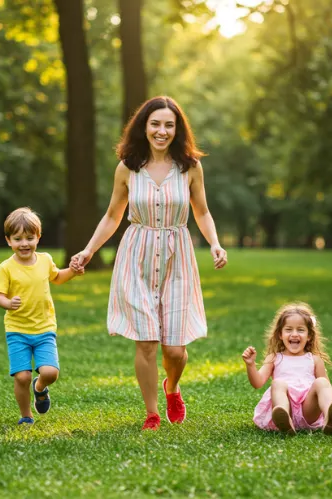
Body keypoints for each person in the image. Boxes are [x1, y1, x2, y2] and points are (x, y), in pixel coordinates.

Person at [70, 96, 227, 430]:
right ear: (144, 126)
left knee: (174, 350)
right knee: (146, 342)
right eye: (155, 123)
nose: (162, 131)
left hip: (177, 257)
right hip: (136, 255)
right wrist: (88, 251)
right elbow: (113, 215)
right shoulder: (128, 167)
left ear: (177, 129)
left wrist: (214, 243)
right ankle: (152, 413)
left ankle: (173, 387)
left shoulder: (190, 167)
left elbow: (202, 211)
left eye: (169, 125)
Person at [0, 207, 83, 425]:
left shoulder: (44, 260)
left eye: (29, 238)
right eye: (18, 239)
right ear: (8, 241)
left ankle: (40, 387)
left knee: (51, 372)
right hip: (17, 330)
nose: (24, 243)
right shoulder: (6, 268)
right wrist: (8, 303)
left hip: (44, 329)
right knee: (21, 376)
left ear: (38, 238)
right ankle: (26, 415)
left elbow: (58, 277)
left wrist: (72, 271)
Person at [241, 302, 332, 435]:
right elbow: (257, 383)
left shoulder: (314, 359)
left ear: (309, 336)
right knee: (278, 383)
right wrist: (250, 365)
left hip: (308, 411)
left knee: (322, 382)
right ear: (280, 334)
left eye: (300, 330)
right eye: (289, 329)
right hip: (286, 407)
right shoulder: (274, 358)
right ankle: (285, 421)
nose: (294, 334)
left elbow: (326, 388)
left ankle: (329, 420)